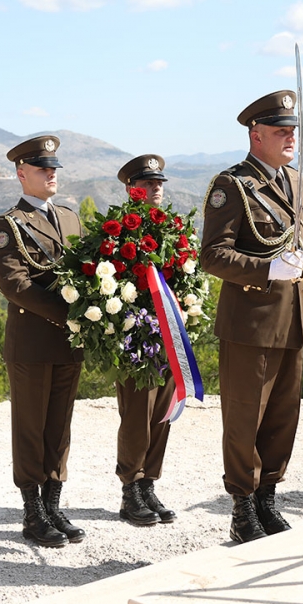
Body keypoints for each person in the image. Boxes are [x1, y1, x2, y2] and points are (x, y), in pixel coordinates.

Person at [200, 90, 303, 543]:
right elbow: (213, 255)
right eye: (281, 131)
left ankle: (267, 499)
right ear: (255, 135)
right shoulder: (232, 185)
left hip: (294, 318)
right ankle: (242, 508)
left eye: (293, 130)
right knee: (245, 418)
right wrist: (265, 269)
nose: (290, 138)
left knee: (282, 417)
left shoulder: (295, 182)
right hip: (250, 322)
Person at [0, 135, 85, 548]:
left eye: (54, 168)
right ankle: (32, 510)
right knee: (31, 427)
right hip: (32, 341)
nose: (51, 173)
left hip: (70, 343)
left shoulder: (70, 219)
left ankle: (53, 502)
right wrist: (70, 315)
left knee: (59, 425)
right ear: (21, 173)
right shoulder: (8, 225)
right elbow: (15, 284)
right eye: (43, 168)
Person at [113, 154, 177, 527]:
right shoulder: (117, 230)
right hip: (134, 337)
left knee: (163, 412)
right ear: (130, 189)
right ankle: (130, 488)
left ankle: (149, 482)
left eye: (159, 183)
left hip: (168, 334)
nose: (156, 188)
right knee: (137, 414)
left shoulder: (171, 228)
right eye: (148, 183)